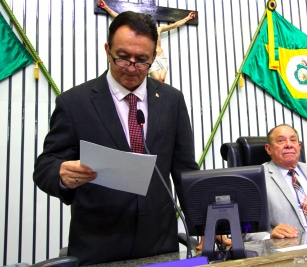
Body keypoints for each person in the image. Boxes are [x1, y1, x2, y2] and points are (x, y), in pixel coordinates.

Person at [33, 11, 199, 266]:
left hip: (158, 243)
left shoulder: (172, 101)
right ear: (107, 49)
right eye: (122, 58)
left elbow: (185, 170)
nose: (131, 68)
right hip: (97, 245)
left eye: (142, 60)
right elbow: (45, 166)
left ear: (154, 56)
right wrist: (61, 174)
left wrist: (206, 226)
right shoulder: (74, 102)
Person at [98, 0, 196, 83]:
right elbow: (118, 17)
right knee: (157, 79)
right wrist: (106, 7)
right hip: (146, 59)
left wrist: (188, 18)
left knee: (162, 80)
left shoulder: (159, 29)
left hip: (160, 55)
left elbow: (175, 25)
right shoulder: (134, 29)